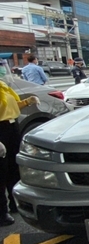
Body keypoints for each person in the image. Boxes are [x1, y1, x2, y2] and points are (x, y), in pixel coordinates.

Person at [0, 60, 40, 225]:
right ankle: (2, 213)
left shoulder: (3, 86)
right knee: (0, 172)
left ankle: (14, 203)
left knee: (12, 167)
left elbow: (11, 106)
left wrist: (28, 102)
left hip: (11, 126)